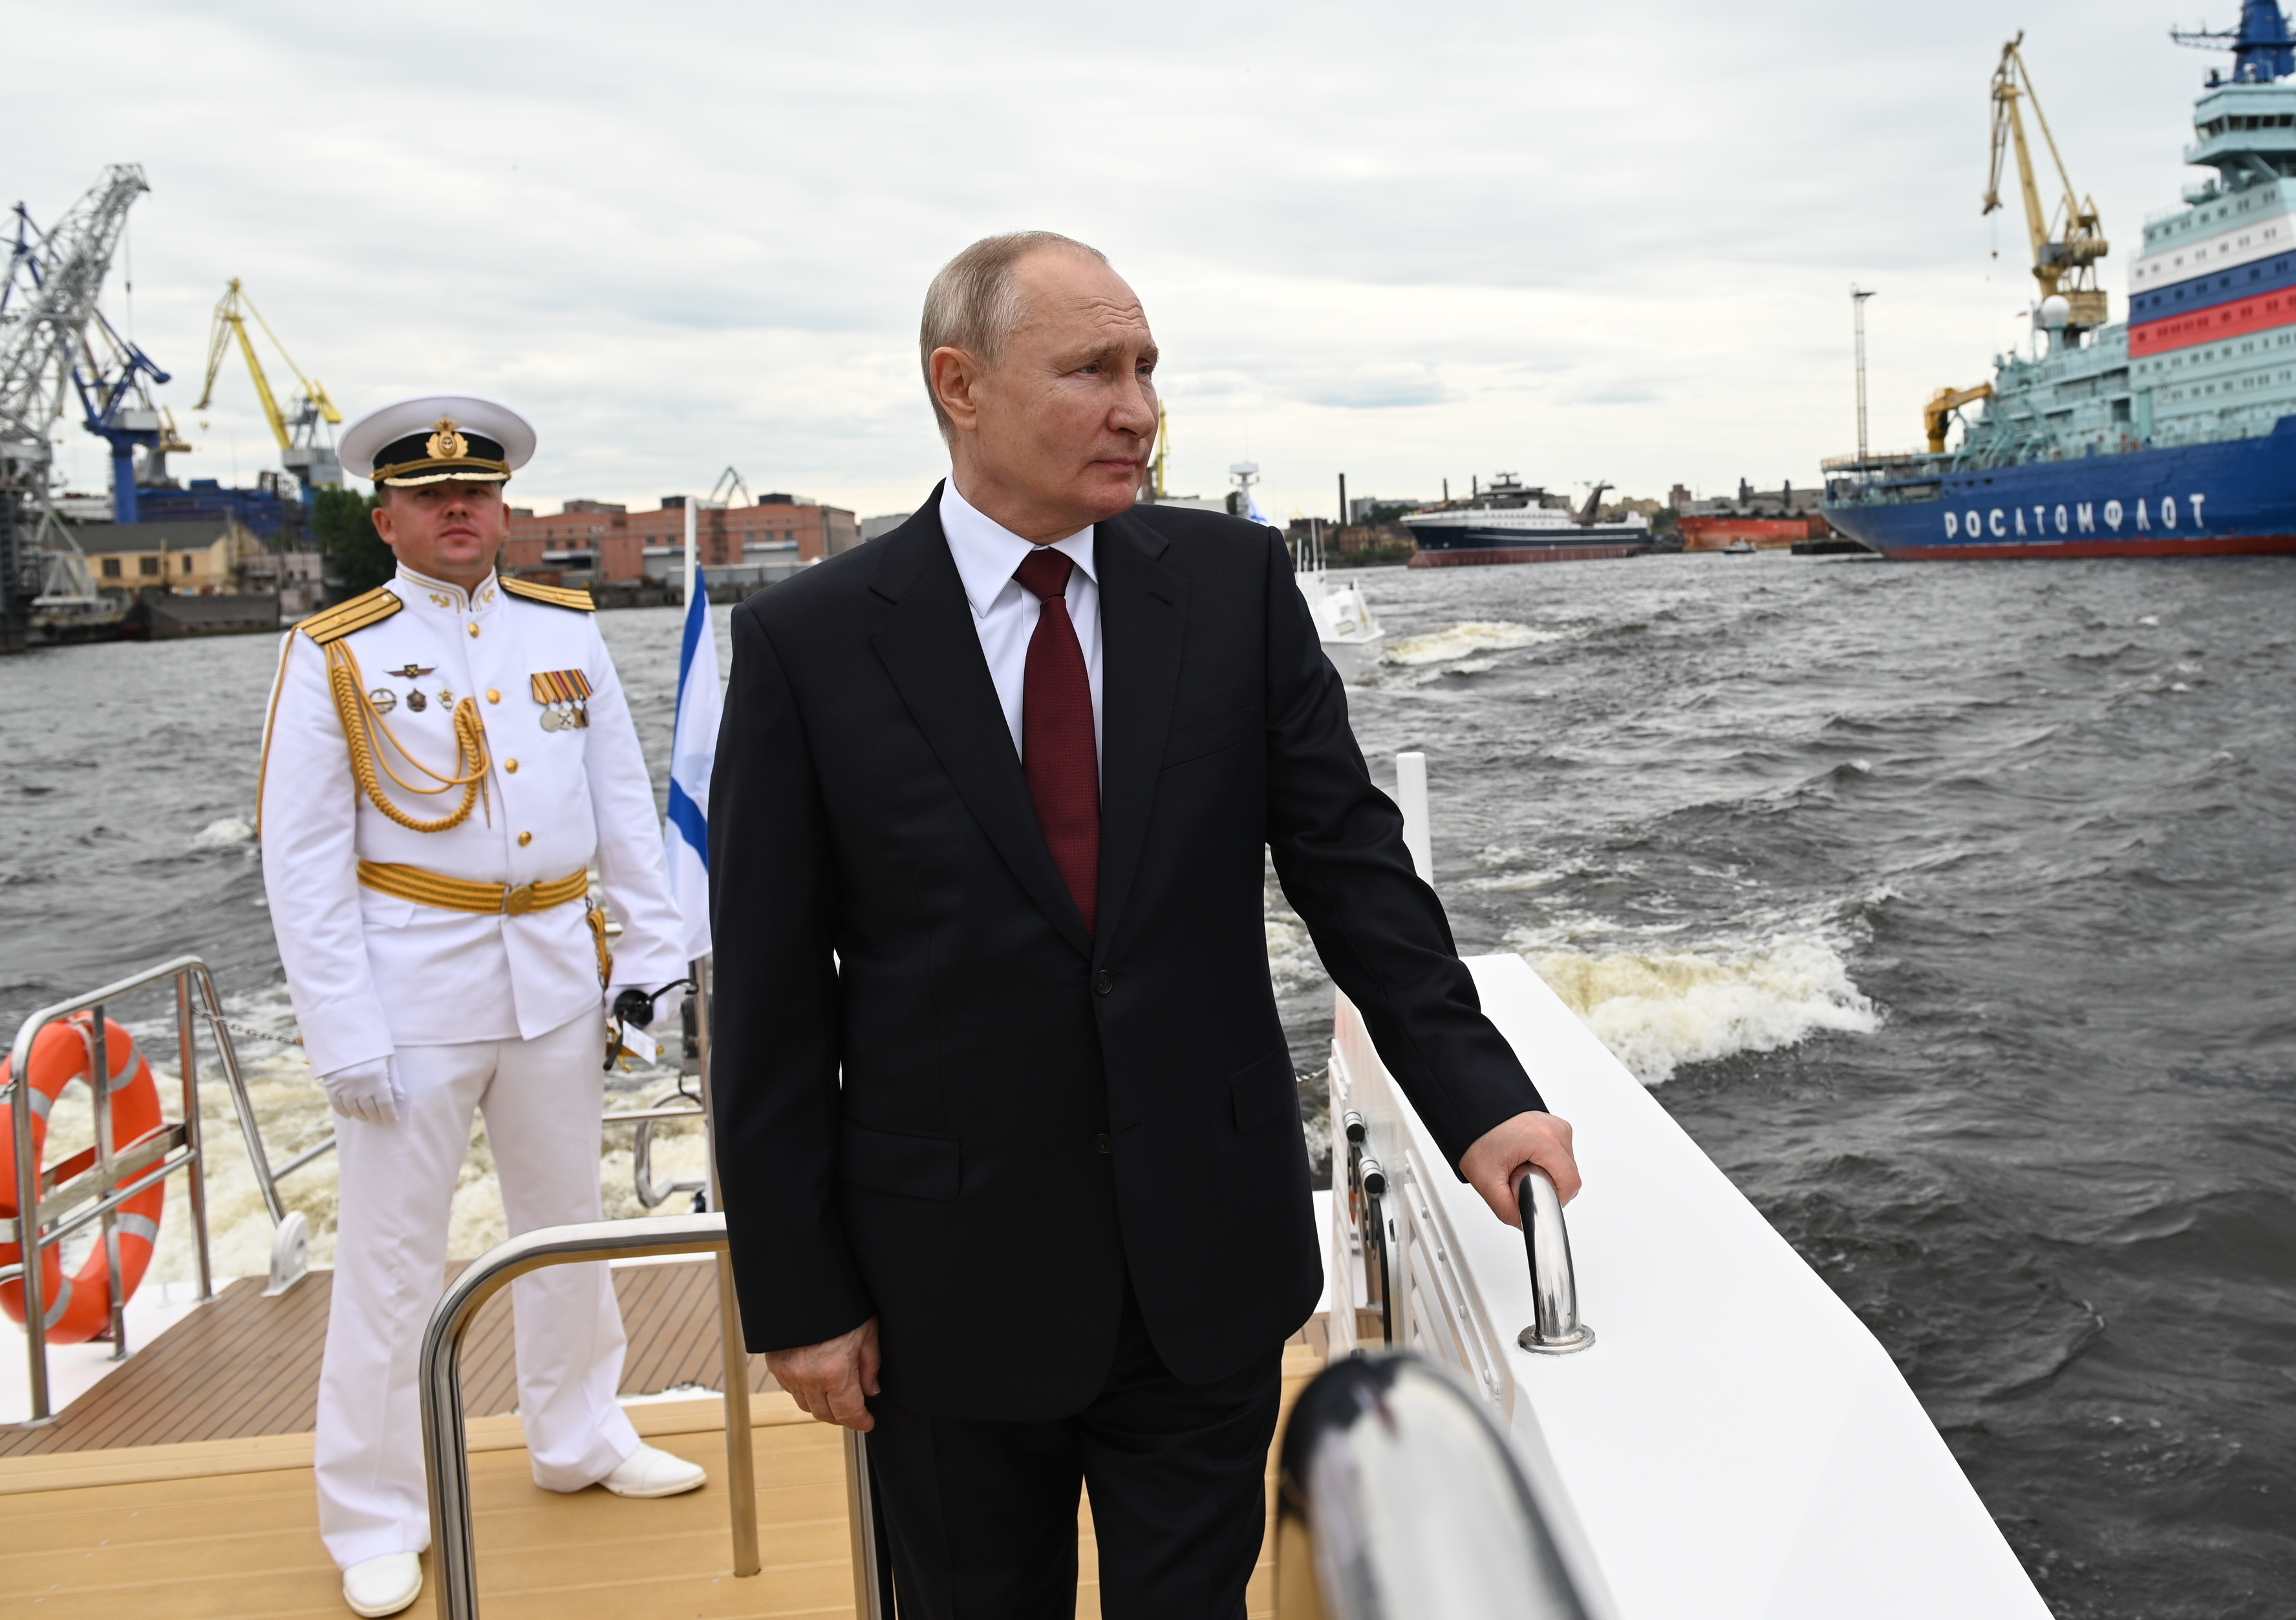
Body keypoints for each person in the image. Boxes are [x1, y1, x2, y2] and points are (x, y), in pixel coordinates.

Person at [709, 233, 1582, 1619]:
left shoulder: (1233, 586)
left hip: (1205, 1257)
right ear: (959, 386)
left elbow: (1351, 864)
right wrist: (800, 1291)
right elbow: (770, 997)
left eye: (1146, 367)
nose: (1138, 409)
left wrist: (1480, 1101)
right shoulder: (808, 645)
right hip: (947, 1287)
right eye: (1092, 371)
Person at [258, 396, 707, 1619]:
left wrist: (649, 961)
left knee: (568, 1228)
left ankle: (580, 1434)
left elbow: (624, 808)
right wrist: (343, 1030)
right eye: (430, 495)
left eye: (477, 492)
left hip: (556, 975)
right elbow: (302, 863)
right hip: (412, 993)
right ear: (387, 518)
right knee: (391, 1262)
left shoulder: (565, 630)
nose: (458, 509)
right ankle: (375, 1512)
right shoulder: (334, 651)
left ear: (506, 509)